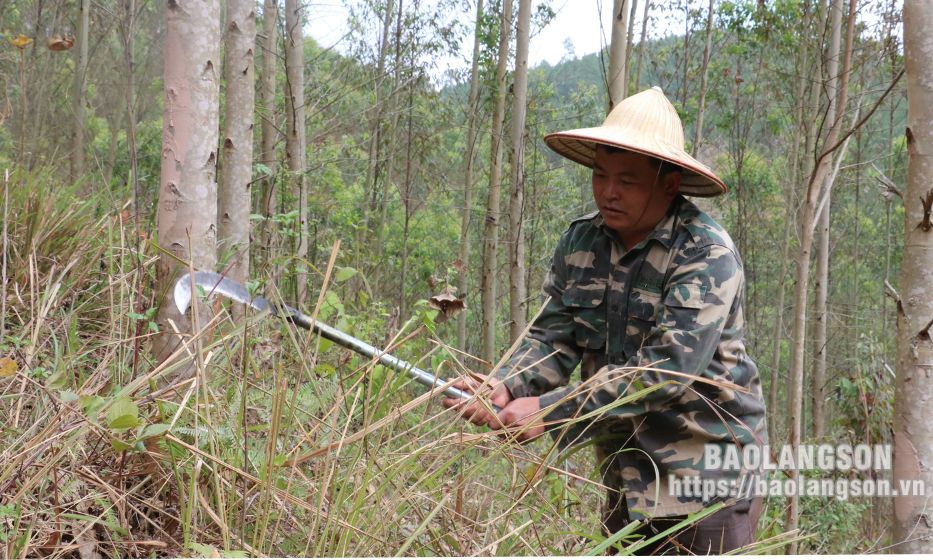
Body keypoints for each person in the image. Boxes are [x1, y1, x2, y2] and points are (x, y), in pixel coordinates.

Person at [443, 87, 768, 555]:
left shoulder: (704, 253)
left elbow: (665, 373)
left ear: (669, 181)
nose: (608, 192)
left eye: (628, 181)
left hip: (708, 478)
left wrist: (550, 412)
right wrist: (507, 386)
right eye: (600, 175)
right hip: (627, 470)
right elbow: (554, 335)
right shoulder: (582, 242)